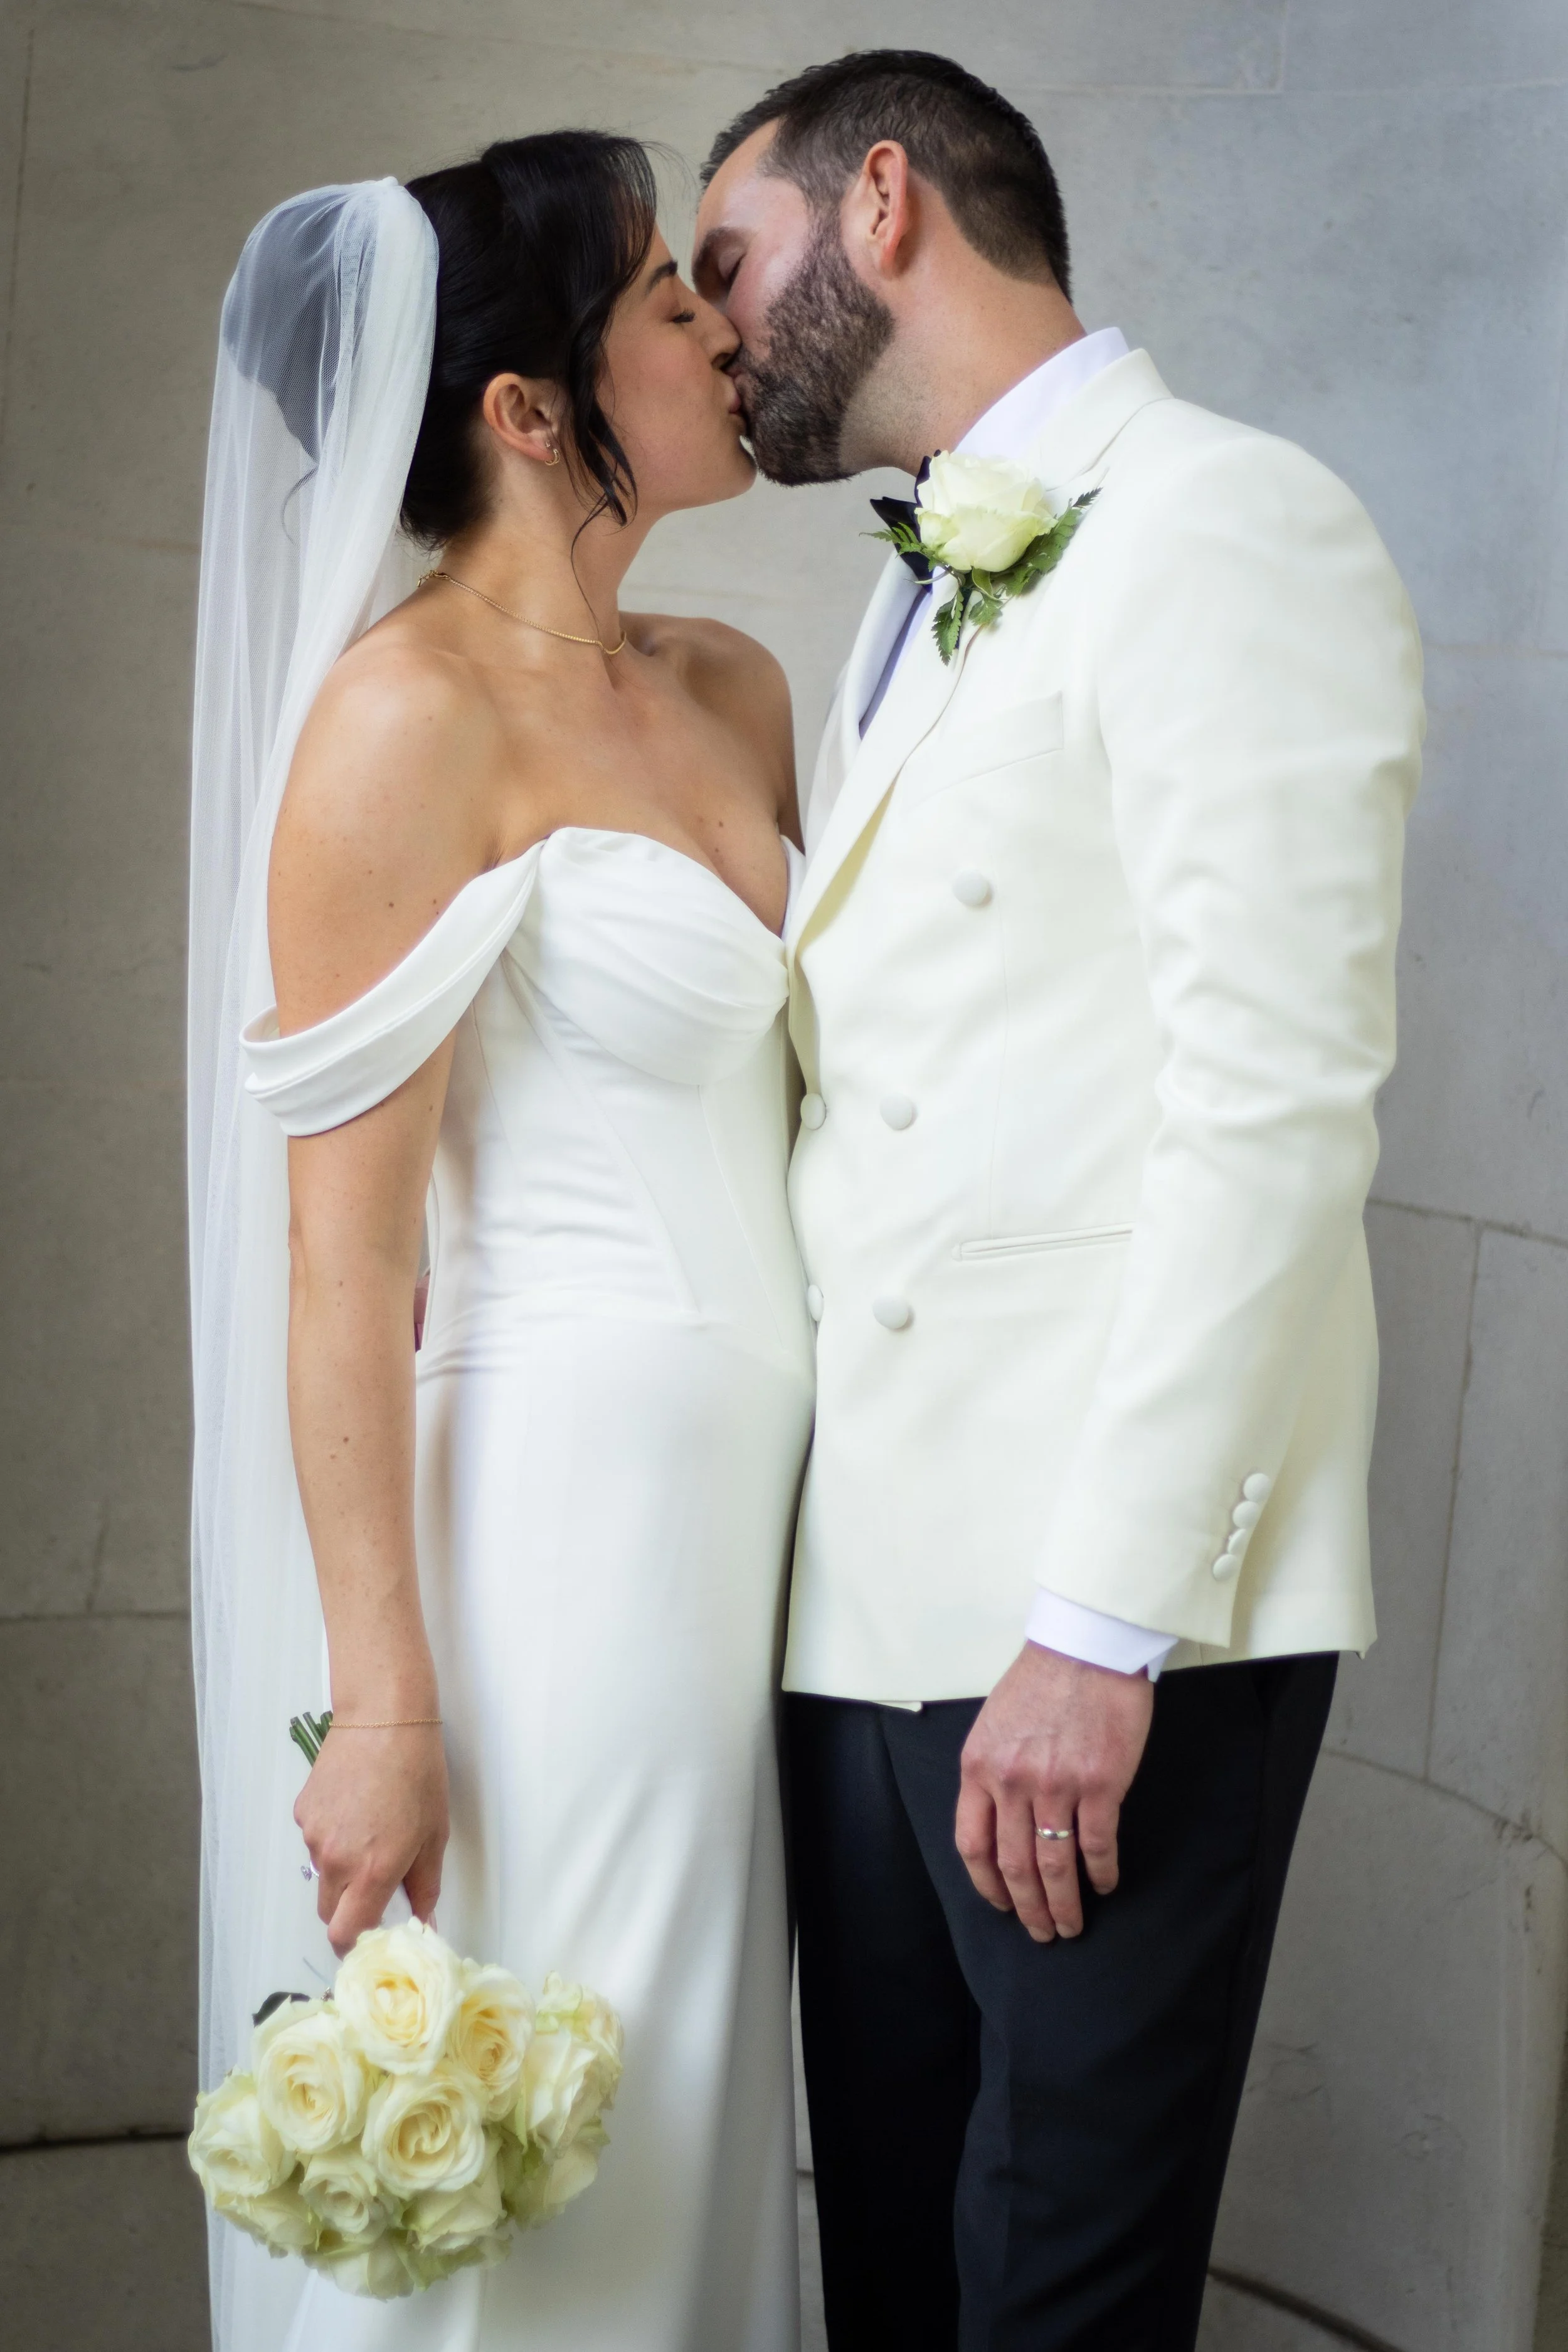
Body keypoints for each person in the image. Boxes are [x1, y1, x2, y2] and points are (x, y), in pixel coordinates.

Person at [694, 49, 1424, 2352]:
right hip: (865, 1618)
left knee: (1056, 2299)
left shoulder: (1228, 518)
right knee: (901, 2273)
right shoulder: (905, 590)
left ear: (878, 203)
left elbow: (1275, 1101)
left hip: (1099, 1626)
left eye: (730, 264)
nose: (713, 329)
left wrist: (1095, 1628)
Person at [188, 139, 813, 2352]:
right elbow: (342, 1264)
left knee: (705, 2078)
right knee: (567, 2114)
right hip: (550, 1530)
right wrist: (381, 1696)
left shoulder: (734, 682)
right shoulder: (400, 719)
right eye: (663, 299)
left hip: (758, 1531)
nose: (723, 329)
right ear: (527, 411)